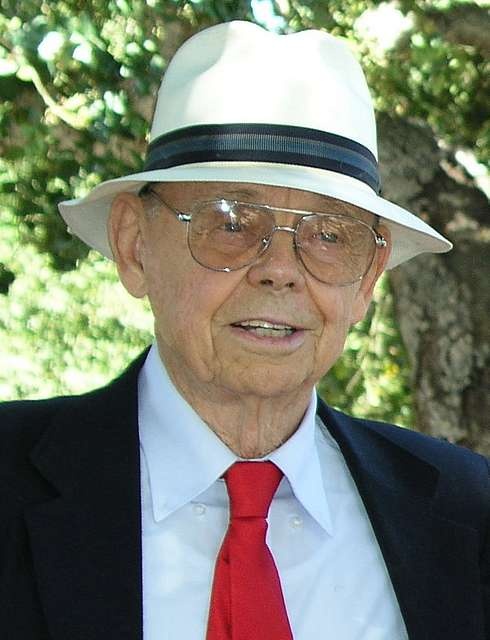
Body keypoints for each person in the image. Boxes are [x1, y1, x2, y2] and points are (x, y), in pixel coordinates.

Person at [1, 20, 488, 640]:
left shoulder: (464, 512)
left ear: (368, 278)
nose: (281, 271)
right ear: (134, 246)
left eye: (330, 235)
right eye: (231, 222)